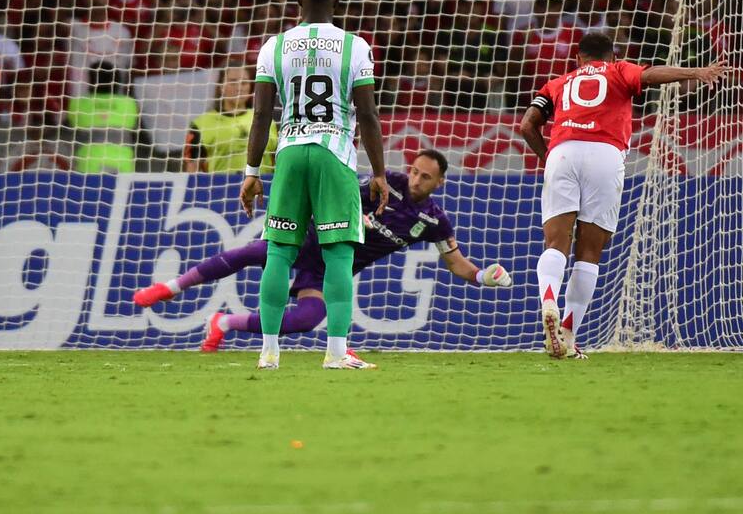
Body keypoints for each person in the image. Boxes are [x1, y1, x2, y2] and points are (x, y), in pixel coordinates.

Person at [135, 149, 513, 357]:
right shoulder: (388, 184)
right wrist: (355, 217)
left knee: (308, 317)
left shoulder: (434, 221)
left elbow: (456, 263)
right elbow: (340, 196)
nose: (415, 179)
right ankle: (170, 287)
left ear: (440, 182)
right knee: (250, 253)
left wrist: (483, 276)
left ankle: (224, 323)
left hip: (329, 271)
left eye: (425, 177)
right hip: (313, 241)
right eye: (414, 171)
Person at [519, 32, 729, 360]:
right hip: (605, 154)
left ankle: (549, 299)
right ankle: (569, 335)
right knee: (589, 251)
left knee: (555, 243)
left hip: (563, 152)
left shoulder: (559, 83)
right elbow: (650, 75)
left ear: (578, 58)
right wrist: (696, 72)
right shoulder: (618, 71)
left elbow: (527, 125)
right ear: (612, 56)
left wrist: (548, 159)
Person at [239, 0, 389, 371]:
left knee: (279, 252)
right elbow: (368, 114)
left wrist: (252, 172)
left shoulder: (274, 45)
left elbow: (260, 114)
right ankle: (336, 353)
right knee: (338, 256)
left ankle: (269, 352)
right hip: (334, 153)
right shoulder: (355, 46)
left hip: (288, 152)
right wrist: (378, 172)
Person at [184, 65, 276, 173]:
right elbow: (191, 168)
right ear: (221, 86)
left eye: (244, 83)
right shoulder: (200, 124)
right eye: (233, 82)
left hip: (264, 187)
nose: (239, 88)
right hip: (219, 187)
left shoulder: (267, 121)